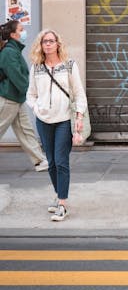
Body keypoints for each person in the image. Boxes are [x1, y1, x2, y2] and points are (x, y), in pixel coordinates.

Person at [27, 29, 87, 222]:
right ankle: (58, 193)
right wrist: (37, 108)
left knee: (61, 162)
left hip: (63, 120)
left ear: (58, 44)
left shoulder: (69, 66)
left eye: (51, 41)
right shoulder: (36, 67)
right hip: (43, 120)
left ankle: (62, 204)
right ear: (41, 45)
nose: (48, 44)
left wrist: (79, 116)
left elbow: (79, 93)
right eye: (45, 41)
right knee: (51, 163)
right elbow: (31, 94)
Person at [0, 20, 48, 172]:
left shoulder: (13, 50)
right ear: (14, 35)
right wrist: (31, 93)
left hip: (16, 98)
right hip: (9, 99)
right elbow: (17, 76)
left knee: (26, 131)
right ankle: (40, 160)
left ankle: (40, 161)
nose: (24, 31)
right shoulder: (9, 52)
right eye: (21, 29)